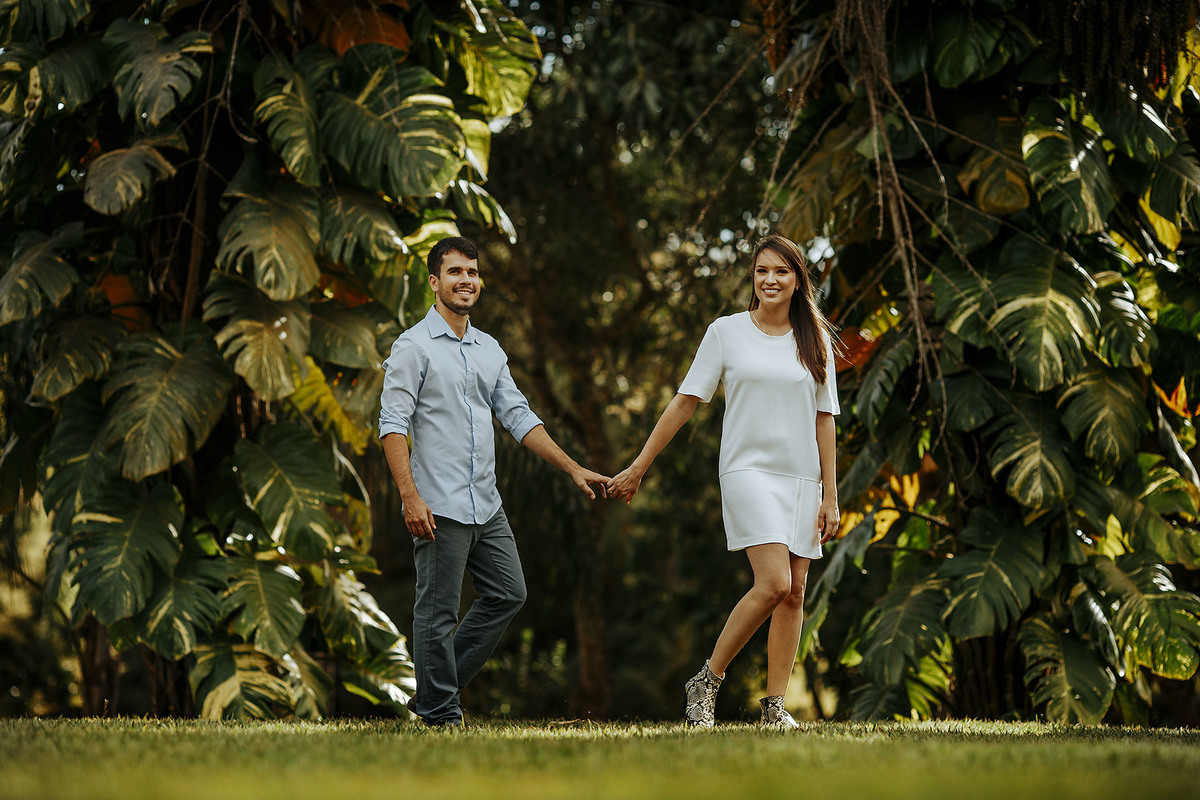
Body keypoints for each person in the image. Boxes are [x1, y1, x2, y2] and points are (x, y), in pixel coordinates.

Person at [607, 234, 841, 730]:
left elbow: (825, 419)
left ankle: (775, 707)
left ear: (798, 280)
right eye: (761, 271)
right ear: (752, 278)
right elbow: (685, 401)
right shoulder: (726, 332)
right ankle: (707, 681)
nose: (770, 280)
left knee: (795, 591)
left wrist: (831, 496)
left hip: (803, 477)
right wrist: (639, 465)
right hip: (747, 470)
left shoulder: (815, 339)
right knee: (774, 582)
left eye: (781, 271)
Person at [379, 236, 610, 728]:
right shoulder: (412, 347)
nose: (466, 280)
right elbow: (392, 425)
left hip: (486, 503)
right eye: (455, 271)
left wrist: (572, 467)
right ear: (434, 281)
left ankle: (432, 694)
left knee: (508, 592)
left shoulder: (489, 349)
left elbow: (518, 416)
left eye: (473, 272)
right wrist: (409, 497)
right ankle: (441, 714)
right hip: (438, 504)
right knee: (437, 613)